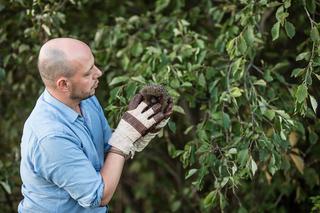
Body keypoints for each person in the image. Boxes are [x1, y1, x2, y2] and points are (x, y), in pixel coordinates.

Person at [18, 38, 173, 212]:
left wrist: (143, 129)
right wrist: (123, 138)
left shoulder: (86, 99)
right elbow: (98, 196)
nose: (98, 73)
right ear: (63, 84)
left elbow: (109, 151)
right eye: (87, 73)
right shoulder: (50, 137)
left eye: (94, 65)